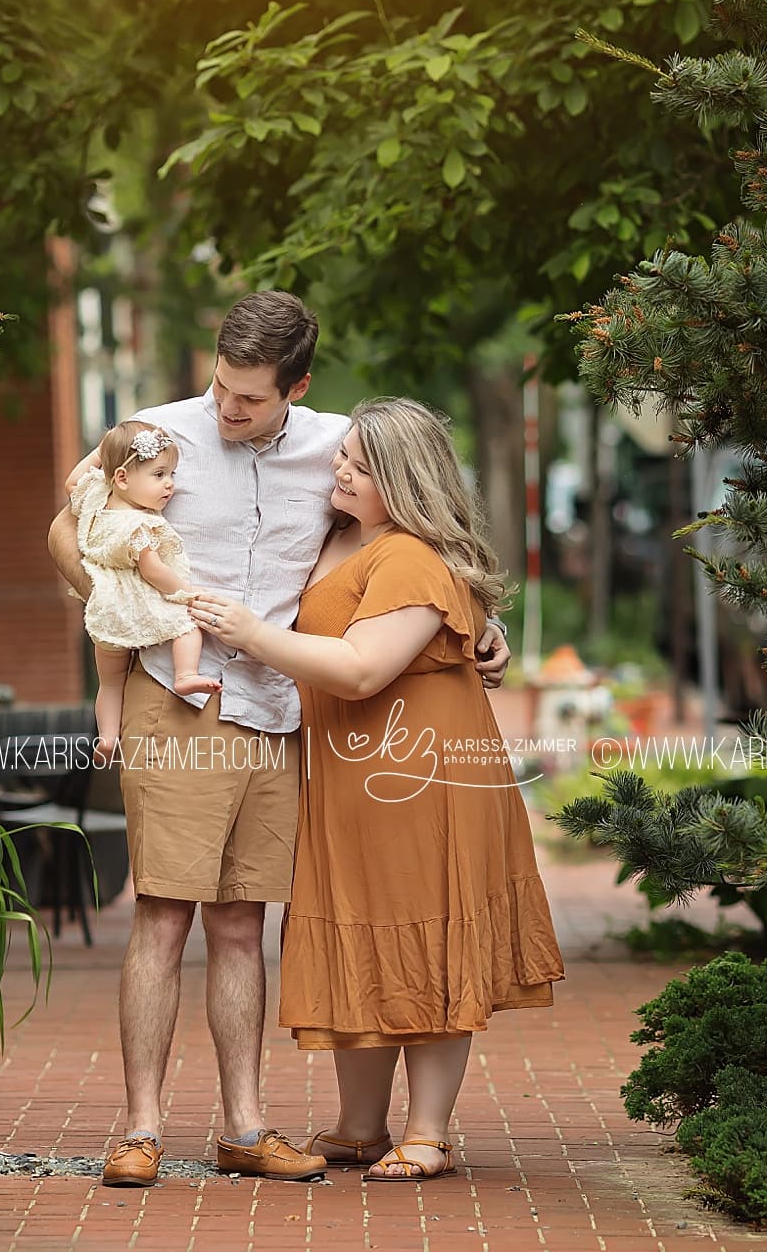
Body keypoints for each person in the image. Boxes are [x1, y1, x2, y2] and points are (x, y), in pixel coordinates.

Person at [46, 291, 513, 1188]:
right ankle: (140, 1127)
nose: (229, 410)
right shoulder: (150, 434)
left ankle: (245, 1127)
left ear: (297, 385)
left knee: (238, 922)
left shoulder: (339, 450)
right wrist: (124, 605)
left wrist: (484, 623)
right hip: (176, 698)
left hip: (283, 710)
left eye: (251, 398)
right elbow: (70, 529)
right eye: (221, 387)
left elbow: (415, 531)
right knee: (163, 910)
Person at [188, 396, 564, 1183]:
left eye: (359, 464)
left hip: (418, 784)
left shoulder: (410, 557)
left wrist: (253, 634)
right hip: (352, 778)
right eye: (343, 456)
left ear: (404, 477)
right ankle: (360, 1124)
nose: (340, 469)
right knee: (360, 928)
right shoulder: (346, 537)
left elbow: (362, 667)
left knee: (423, 934)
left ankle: (428, 1132)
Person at [66, 421, 221, 763]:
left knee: (110, 682)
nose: (170, 485)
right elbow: (153, 571)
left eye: (172, 475)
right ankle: (185, 675)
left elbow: (72, 480)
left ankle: (107, 738)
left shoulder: (96, 501)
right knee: (187, 625)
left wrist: (102, 450)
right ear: (122, 478)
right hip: (139, 602)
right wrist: (188, 592)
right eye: (159, 475)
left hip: (105, 607)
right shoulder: (139, 525)